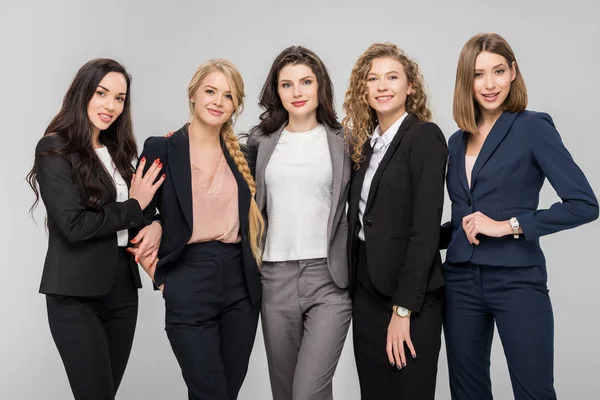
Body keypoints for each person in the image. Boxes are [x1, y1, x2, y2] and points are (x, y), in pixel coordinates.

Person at [442, 32, 599, 400]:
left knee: (534, 393)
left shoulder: (532, 127)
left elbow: (584, 203)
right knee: (467, 393)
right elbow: (464, 219)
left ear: (513, 72)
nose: (490, 83)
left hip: (517, 279)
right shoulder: (456, 140)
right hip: (461, 281)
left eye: (498, 71)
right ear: (467, 80)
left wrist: (509, 225)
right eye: (479, 74)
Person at [27, 58, 164, 400]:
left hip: (121, 292)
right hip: (74, 295)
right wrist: (134, 206)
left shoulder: (119, 153)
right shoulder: (55, 149)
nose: (110, 105)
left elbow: (143, 214)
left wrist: (157, 222)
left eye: (119, 98)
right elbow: (73, 225)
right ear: (83, 92)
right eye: (102, 93)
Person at [135, 59, 264, 400]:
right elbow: (136, 219)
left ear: (236, 106)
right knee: (208, 392)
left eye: (228, 95)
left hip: (241, 284)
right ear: (193, 95)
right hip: (188, 278)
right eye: (210, 91)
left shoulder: (245, 156)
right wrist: (161, 277)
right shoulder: (159, 148)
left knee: (226, 392)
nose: (218, 101)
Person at [342, 43, 448, 400]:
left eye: (392, 77)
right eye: (373, 79)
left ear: (410, 88)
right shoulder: (365, 146)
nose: (382, 86)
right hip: (366, 294)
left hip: (409, 298)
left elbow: (425, 230)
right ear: (364, 89)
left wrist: (403, 309)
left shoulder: (424, 137)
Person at [246, 45, 352, 400]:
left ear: (320, 86)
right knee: (285, 393)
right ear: (276, 91)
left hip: (329, 278)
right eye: (287, 84)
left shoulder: (345, 142)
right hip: (275, 279)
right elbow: (215, 161)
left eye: (306, 82)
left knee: (308, 392)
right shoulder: (260, 143)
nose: (298, 92)